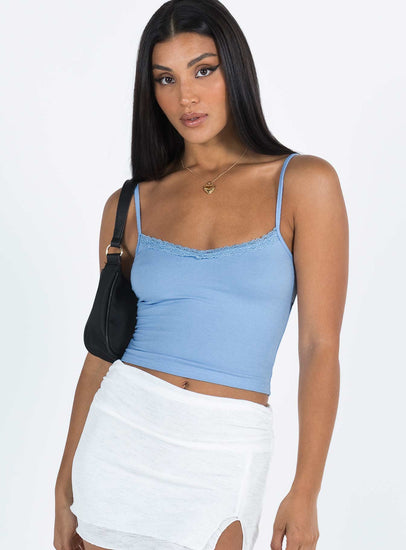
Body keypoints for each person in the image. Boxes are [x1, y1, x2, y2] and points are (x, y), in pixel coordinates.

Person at [54, 1, 348, 549]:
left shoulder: (304, 183)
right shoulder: (132, 205)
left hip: (226, 448)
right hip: (120, 435)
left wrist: (306, 488)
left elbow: (319, 346)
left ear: (235, 69)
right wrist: (63, 482)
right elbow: (101, 352)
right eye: (165, 78)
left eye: (203, 70)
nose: (185, 97)